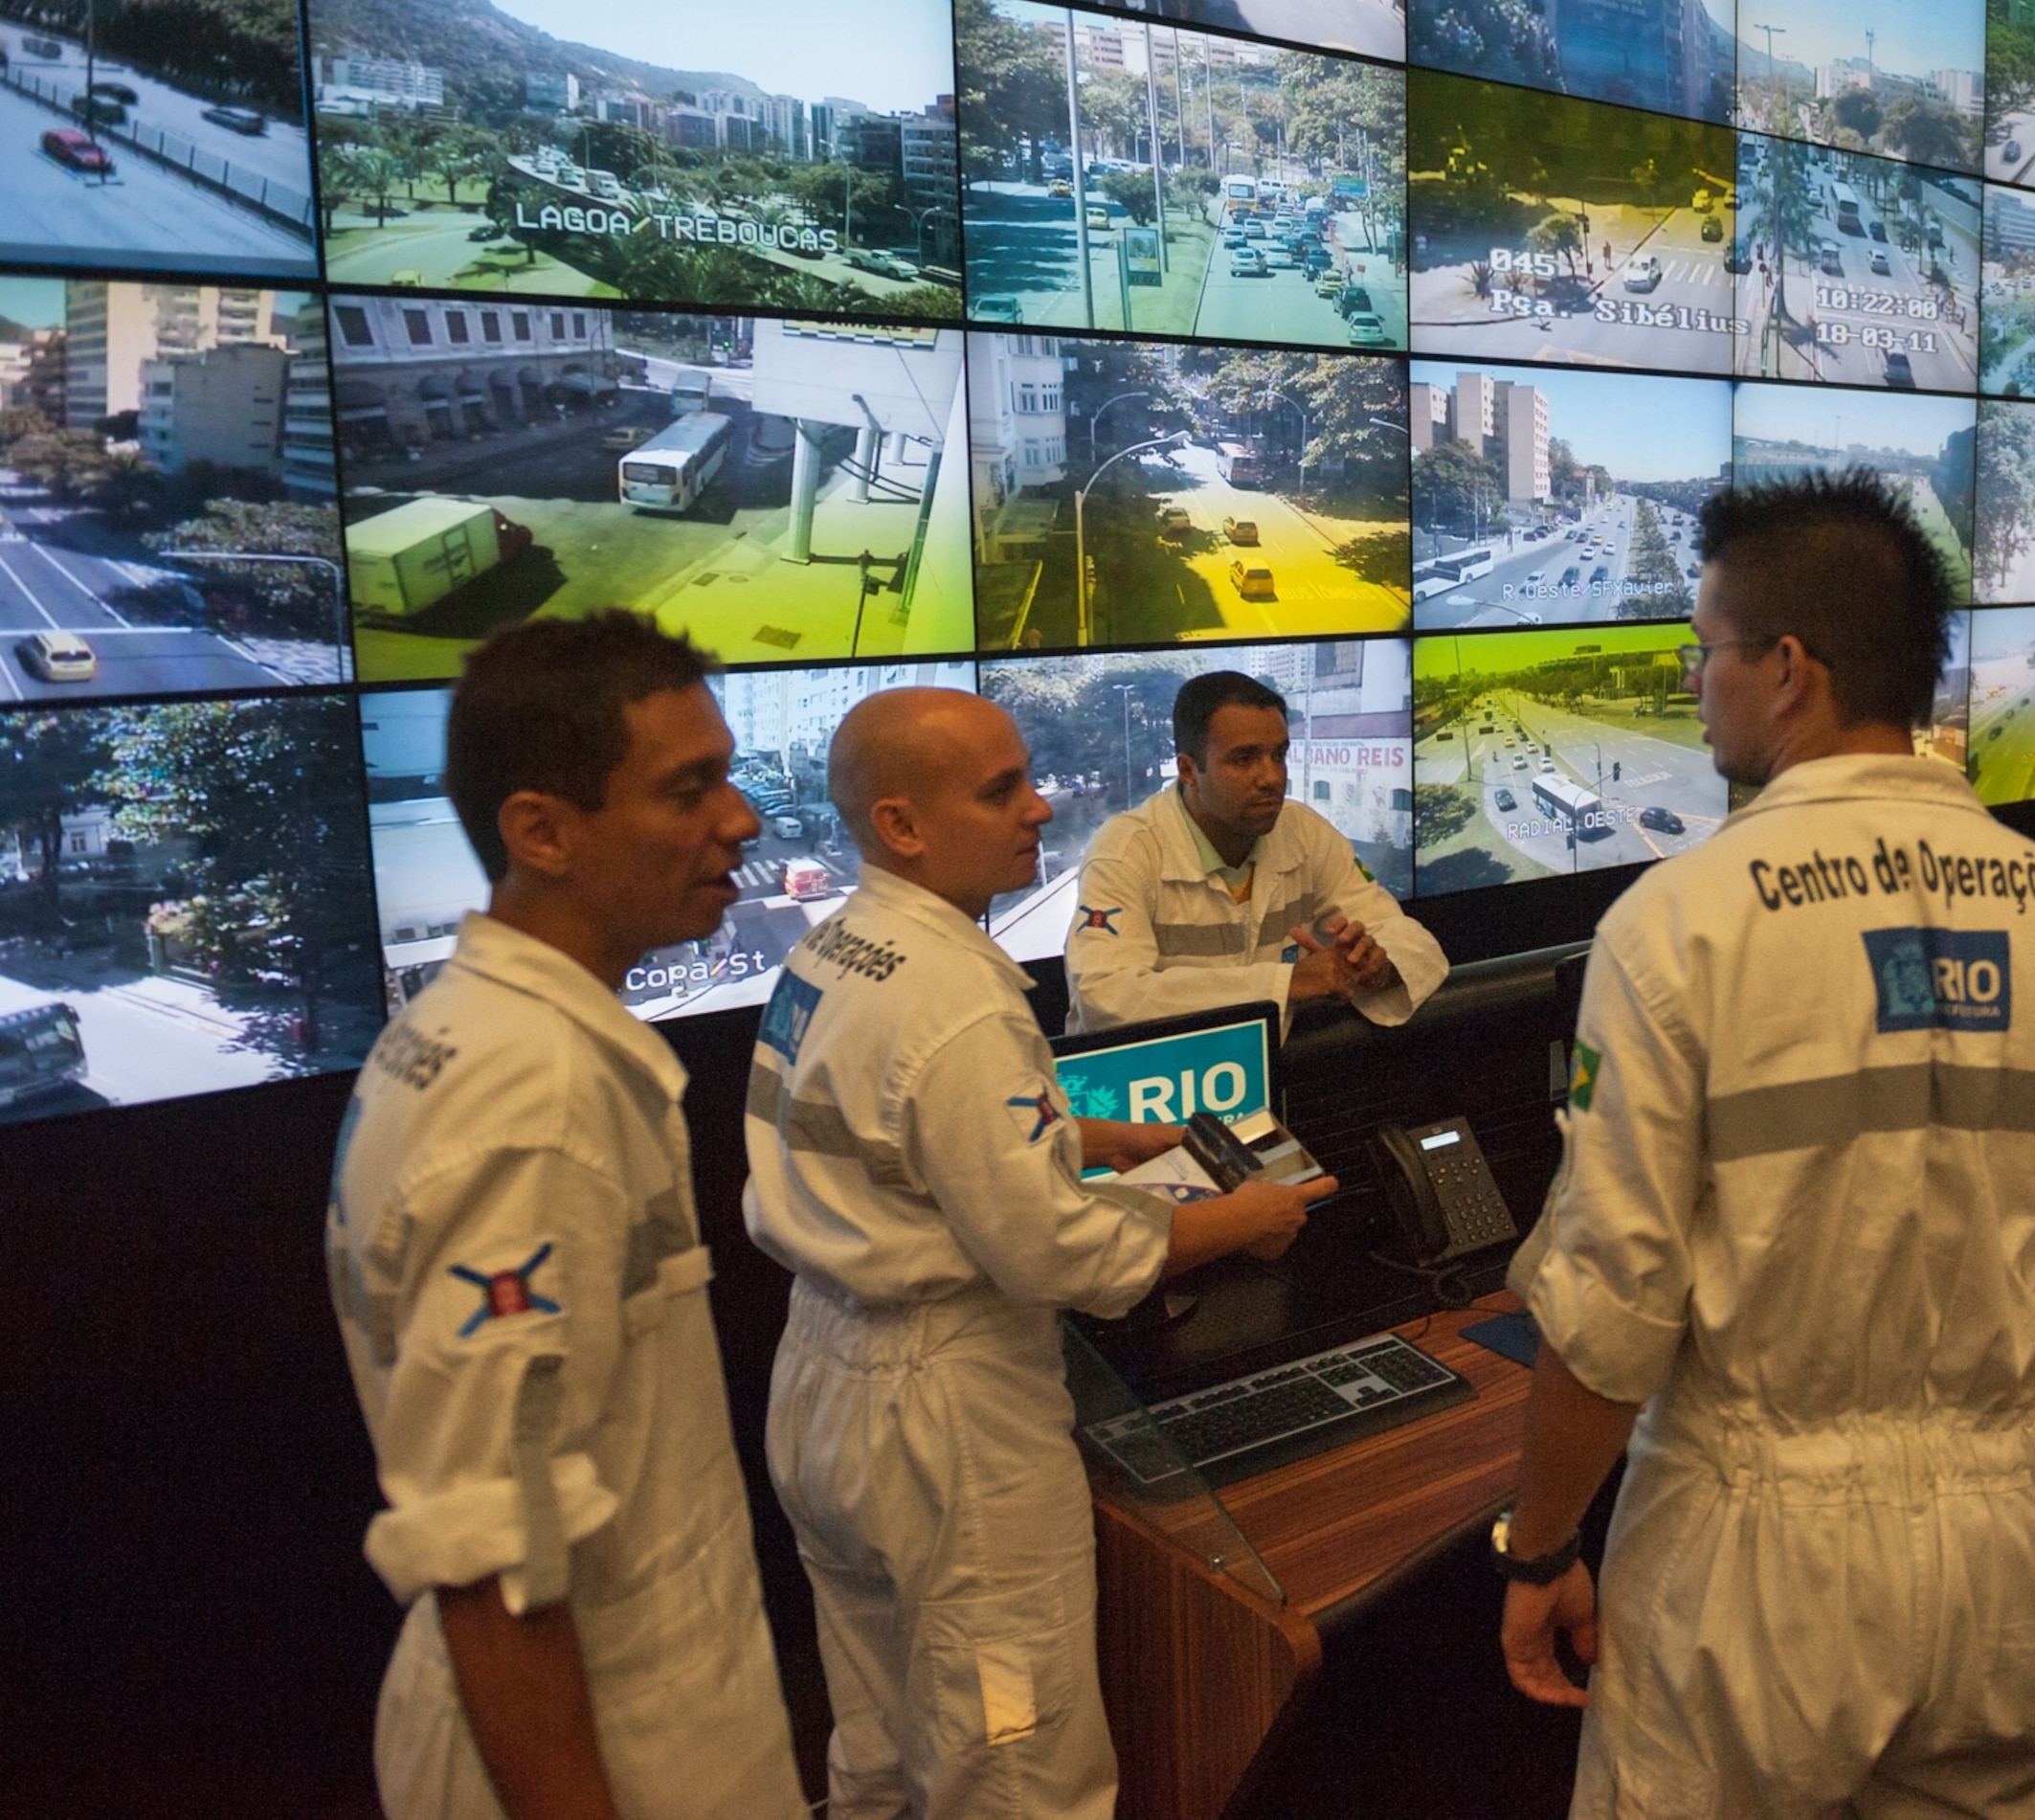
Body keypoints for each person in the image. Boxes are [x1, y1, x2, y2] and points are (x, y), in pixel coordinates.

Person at [1496, 470, 2035, 1818]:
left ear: (1787, 668)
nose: (1698, 687)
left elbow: (1615, 1311)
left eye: (1705, 653)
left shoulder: (1676, 924)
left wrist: (1540, 1547)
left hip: (1752, 1567)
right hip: (2003, 1559)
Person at [745, 686, 1335, 1820]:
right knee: (1016, 1766)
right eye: (1001, 788)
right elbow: (1058, 1251)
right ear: (902, 824)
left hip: (822, 1383)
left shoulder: (835, 951)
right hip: (947, 1423)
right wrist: (1244, 1215)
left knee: (876, 1745)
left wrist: (1103, 1133)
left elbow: (912, 1129)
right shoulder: (960, 998)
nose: (1039, 803)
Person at [324, 613, 801, 1820]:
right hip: (599, 1744)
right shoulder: (532, 1094)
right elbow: (490, 1550)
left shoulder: (497, 1034)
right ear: (541, 829)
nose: (739, 819)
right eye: (689, 788)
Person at [1064, 669, 1446, 1033]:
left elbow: (1411, 942)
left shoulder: (1305, 833)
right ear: (1187, 770)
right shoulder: (1126, 853)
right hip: (1145, 1090)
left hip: (1263, 1083)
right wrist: (1286, 983)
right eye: (1244, 759)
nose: (1272, 778)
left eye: (1278, 755)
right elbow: (1106, 999)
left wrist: (1377, 965)